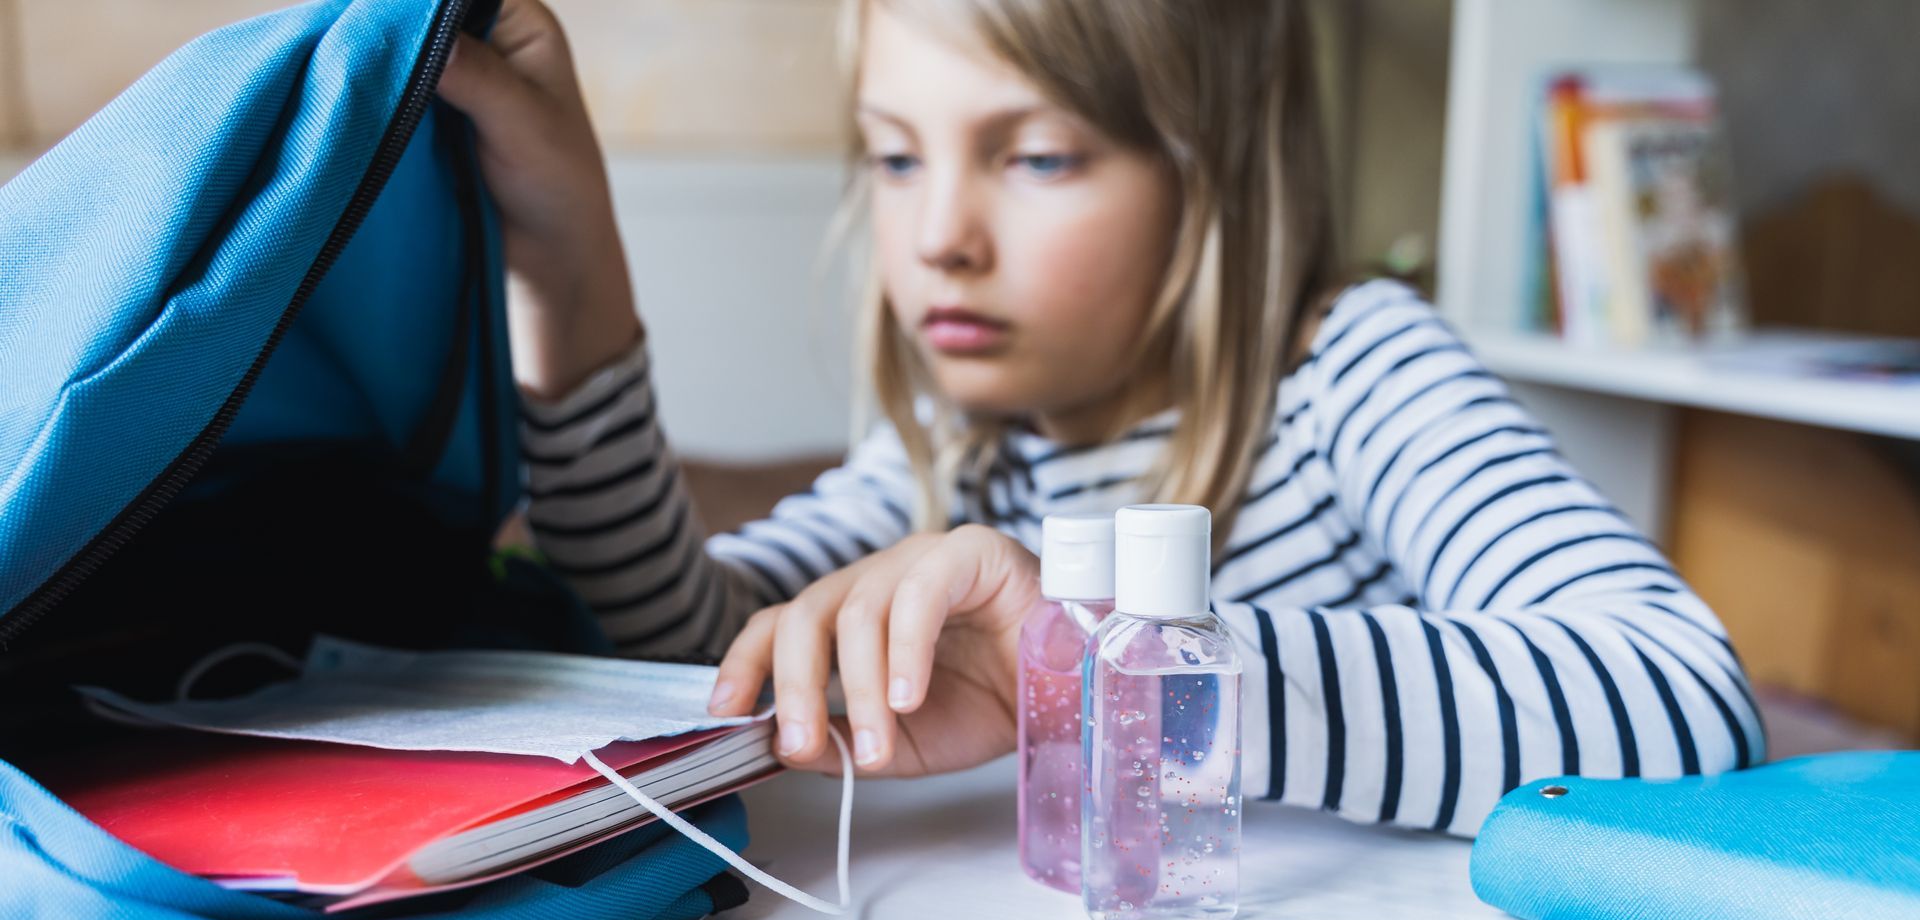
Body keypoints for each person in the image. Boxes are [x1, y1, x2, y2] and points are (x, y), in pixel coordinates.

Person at [436, 0, 1760, 837]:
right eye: (895, 155)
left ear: (1214, 178)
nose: (938, 237)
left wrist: (1120, 678)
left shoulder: (1357, 372)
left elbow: (1688, 705)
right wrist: (567, 262)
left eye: (1037, 156)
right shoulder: (954, 446)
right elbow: (693, 647)